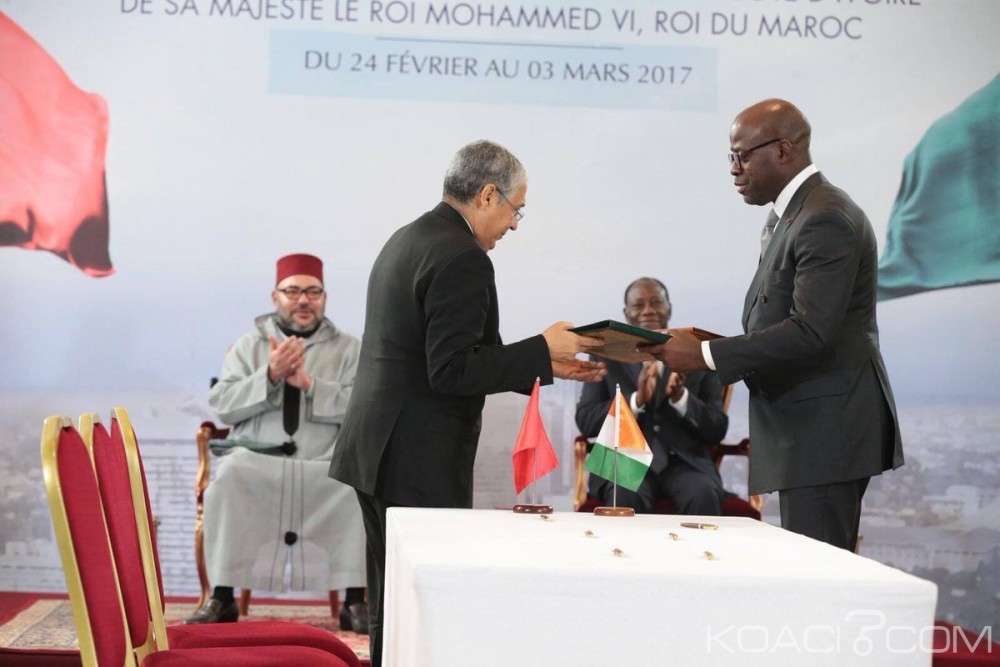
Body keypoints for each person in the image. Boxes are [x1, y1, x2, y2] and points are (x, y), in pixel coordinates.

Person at [328, 140, 606, 666]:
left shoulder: (411, 236)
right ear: (488, 195)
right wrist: (541, 347)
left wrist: (545, 362)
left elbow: (455, 355)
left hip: (379, 449)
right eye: (516, 209)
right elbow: (452, 368)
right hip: (416, 455)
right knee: (421, 601)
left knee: (394, 597)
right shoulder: (462, 257)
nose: (515, 224)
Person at [646, 99, 903, 552]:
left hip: (825, 434)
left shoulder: (824, 217)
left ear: (783, 150)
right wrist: (703, 346)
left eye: (741, 155)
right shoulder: (794, 214)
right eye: (731, 156)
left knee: (819, 575)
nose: (733, 169)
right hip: (808, 431)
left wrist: (704, 355)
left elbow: (810, 331)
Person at [186, 253, 370, 634]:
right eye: (293, 291)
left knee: (354, 486)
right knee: (230, 478)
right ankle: (221, 597)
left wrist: (311, 385)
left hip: (323, 462)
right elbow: (223, 404)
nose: (303, 300)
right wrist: (269, 375)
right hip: (257, 460)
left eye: (313, 292)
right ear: (275, 297)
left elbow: (366, 406)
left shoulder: (349, 349)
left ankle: (355, 601)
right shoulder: (247, 347)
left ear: (324, 297)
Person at [576, 277, 729, 515]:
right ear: (626, 314)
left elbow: (717, 428)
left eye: (656, 302)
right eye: (639, 305)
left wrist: (681, 399)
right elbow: (586, 420)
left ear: (669, 309)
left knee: (702, 494)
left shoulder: (697, 353)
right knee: (622, 495)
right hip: (624, 460)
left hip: (685, 463)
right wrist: (635, 401)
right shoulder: (605, 354)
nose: (648, 310)